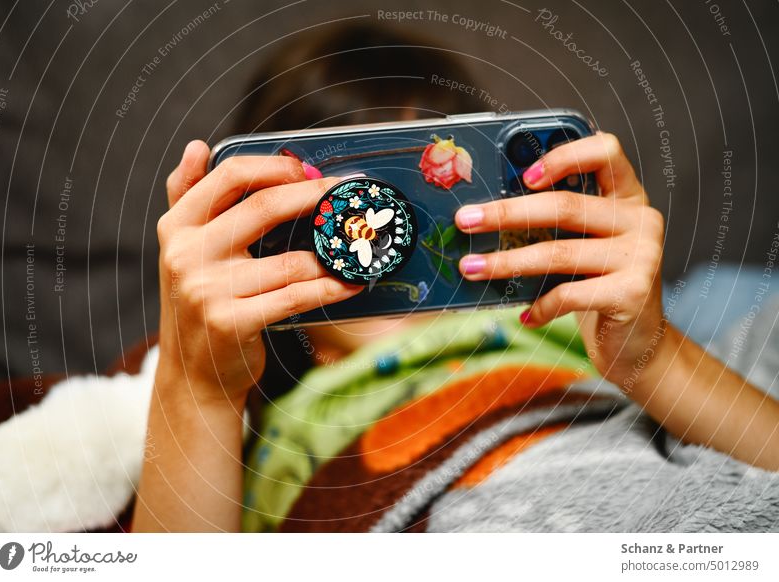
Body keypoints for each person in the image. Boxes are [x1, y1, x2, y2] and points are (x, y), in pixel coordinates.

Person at [132, 25, 779, 533]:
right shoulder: (296, 418)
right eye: (361, 200)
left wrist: (656, 358)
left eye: (431, 193)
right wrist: (197, 390)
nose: (398, 235)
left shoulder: (575, 323)